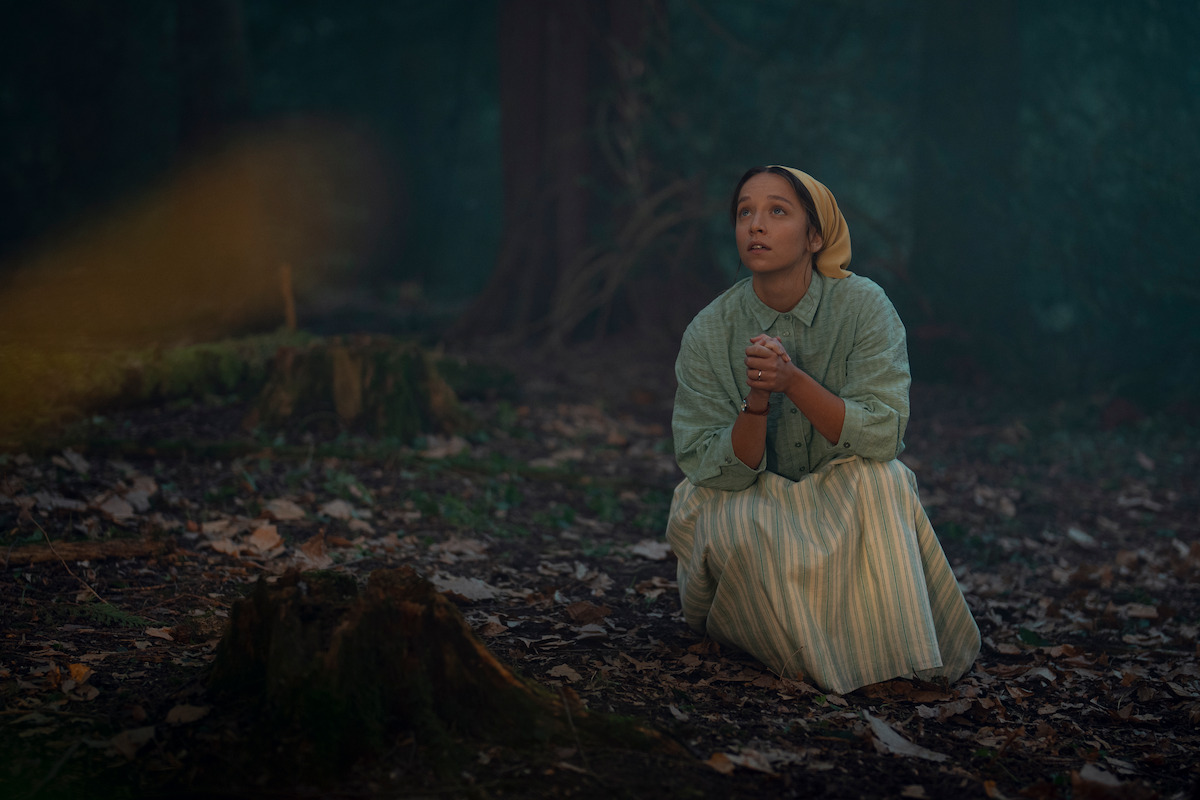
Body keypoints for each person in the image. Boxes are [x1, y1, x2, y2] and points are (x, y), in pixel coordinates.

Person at [666, 165, 980, 694]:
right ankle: (804, 655)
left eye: (777, 211)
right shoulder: (709, 330)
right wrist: (758, 401)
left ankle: (897, 662)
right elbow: (705, 463)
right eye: (745, 212)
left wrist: (793, 381)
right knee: (728, 514)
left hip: (840, 491)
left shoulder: (864, 307)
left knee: (886, 481)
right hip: (748, 495)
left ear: (816, 237)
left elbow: (883, 434)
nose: (755, 226)